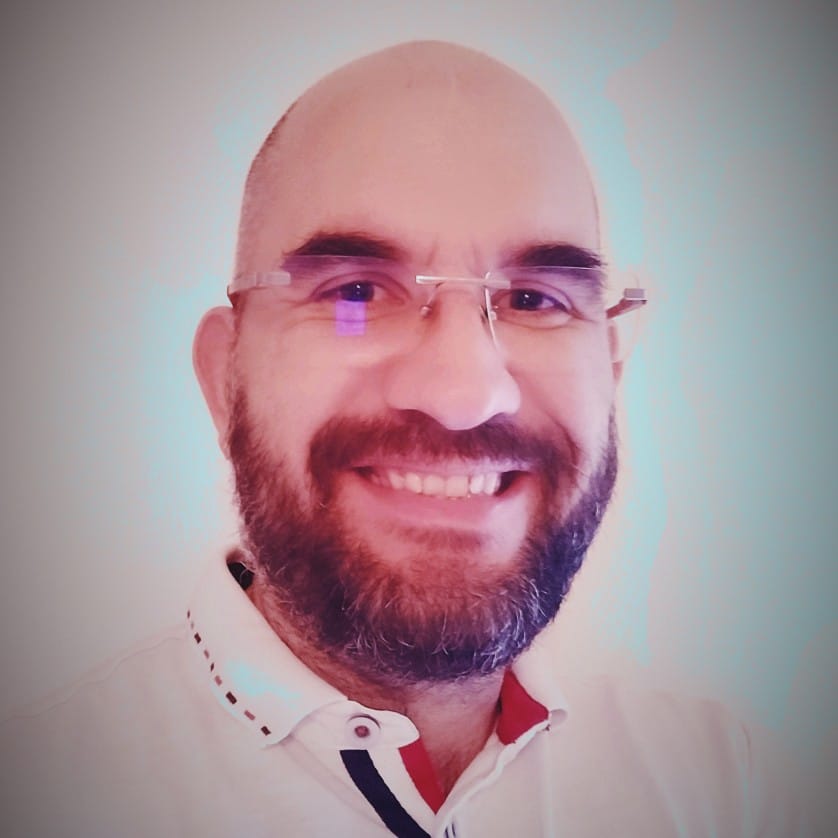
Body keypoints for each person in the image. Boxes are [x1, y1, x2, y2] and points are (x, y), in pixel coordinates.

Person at [0, 41, 807, 837]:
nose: (462, 395)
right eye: (354, 292)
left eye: (534, 300)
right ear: (226, 379)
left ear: (612, 372)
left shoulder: (730, 792)